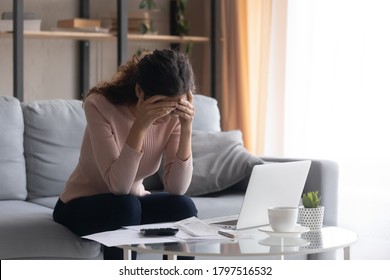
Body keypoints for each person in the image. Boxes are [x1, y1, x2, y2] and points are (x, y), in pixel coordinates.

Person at [53, 49, 198, 260]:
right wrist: (140, 126)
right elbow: (118, 186)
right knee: (125, 206)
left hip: (132, 204)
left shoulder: (176, 117)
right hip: (80, 205)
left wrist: (186, 129)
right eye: (160, 106)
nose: (167, 116)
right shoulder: (100, 106)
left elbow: (177, 188)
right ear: (140, 91)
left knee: (183, 206)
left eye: (175, 107)